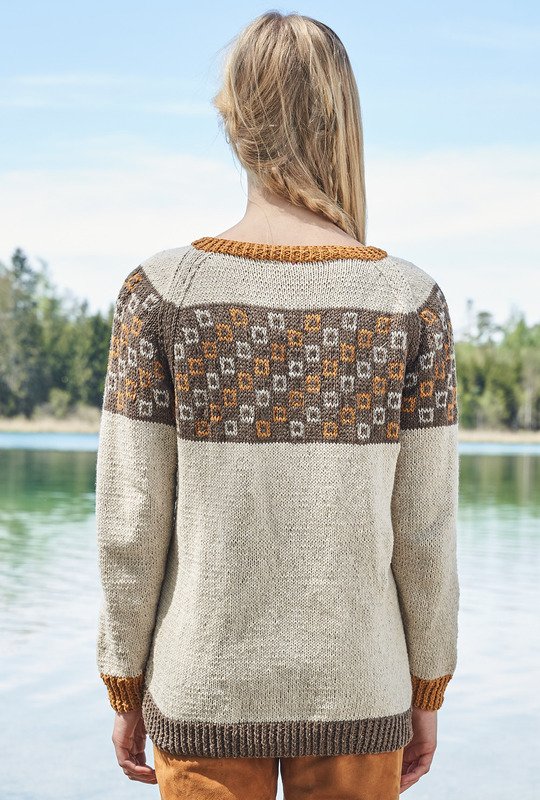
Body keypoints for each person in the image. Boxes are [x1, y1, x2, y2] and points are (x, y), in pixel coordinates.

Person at [95, 10, 460, 799]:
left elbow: (131, 521)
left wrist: (123, 682)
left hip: (202, 693)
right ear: (342, 120)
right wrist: (428, 686)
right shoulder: (409, 300)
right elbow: (425, 531)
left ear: (234, 122)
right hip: (361, 692)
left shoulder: (160, 293)